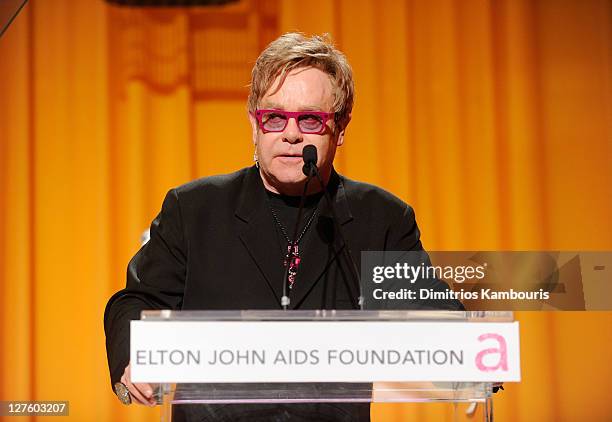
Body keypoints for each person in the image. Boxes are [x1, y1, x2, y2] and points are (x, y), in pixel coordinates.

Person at [104, 32, 462, 421]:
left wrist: (470, 351)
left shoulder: (380, 219)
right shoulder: (195, 210)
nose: (291, 134)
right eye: (274, 117)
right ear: (254, 125)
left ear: (340, 128)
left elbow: (433, 314)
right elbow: (137, 301)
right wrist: (133, 357)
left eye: (309, 118)